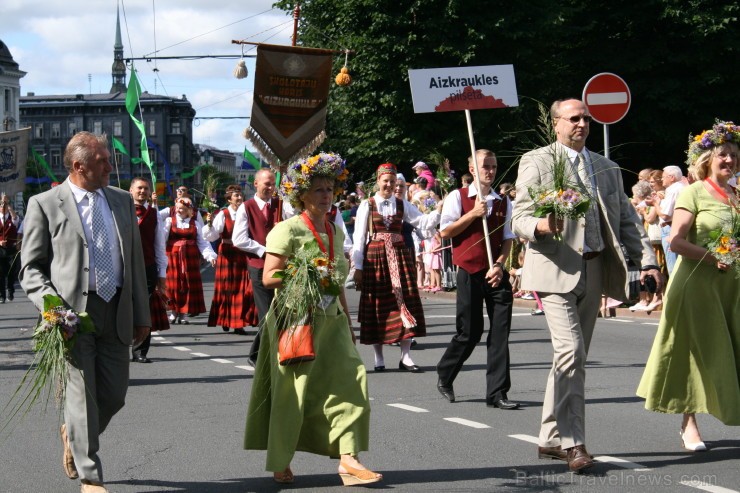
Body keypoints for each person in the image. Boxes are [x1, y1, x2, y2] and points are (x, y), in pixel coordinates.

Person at [511, 99, 661, 472]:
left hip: (593, 271)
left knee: (569, 358)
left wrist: (649, 261)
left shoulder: (606, 167)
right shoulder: (538, 160)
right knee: (572, 350)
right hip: (552, 269)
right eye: (574, 118)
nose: (582, 124)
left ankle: (548, 437)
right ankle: (573, 442)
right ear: (557, 123)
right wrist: (542, 227)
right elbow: (520, 217)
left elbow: (628, 219)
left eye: (587, 119)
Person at [20, 132, 150, 493]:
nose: (111, 166)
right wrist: (53, 310)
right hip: (72, 317)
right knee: (80, 395)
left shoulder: (121, 201)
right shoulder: (45, 204)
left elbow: (135, 261)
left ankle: (73, 434)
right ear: (78, 167)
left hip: (117, 309)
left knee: (114, 395)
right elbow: (30, 269)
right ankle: (90, 475)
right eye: (102, 162)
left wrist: (143, 314)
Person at [244, 152, 382, 486]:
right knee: (295, 391)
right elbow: (269, 278)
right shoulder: (286, 230)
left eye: (330, 189)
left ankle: (349, 459)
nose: (326, 195)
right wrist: (307, 272)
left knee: (352, 379)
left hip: (332, 318)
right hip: (296, 319)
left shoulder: (335, 230)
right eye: (318, 189)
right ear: (302, 195)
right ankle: (281, 458)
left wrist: (348, 323)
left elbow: (335, 282)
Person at [637, 121, 740, 449]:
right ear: (708, 159)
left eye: (735, 155)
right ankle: (689, 423)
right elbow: (677, 242)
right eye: (723, 154)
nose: (729, 160)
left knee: (733, 350)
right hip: (697, 284)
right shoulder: (693, 192)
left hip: (731, 286)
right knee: (693, 352)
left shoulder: (737, 194)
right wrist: (712, 257)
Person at [436, 149, 518, 409]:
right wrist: (472, 214)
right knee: (469, 332)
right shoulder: (457, 197)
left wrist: (500, 265)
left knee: (500, 334)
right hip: (469, 270)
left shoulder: (504, 202)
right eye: (485, 166)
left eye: (493, 166)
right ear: (472, 169)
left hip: (495, 273)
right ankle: (445, 374)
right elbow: (445, 232)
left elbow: (507, 239)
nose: (490, 171)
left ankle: (497, 393)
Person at [352, 163, 441, 372]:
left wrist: (439, 210)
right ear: (378, 181)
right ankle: (378, 357)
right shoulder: (368, 204)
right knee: (378, 304)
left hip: (400, 256)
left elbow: (423, 222)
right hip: (375, 258)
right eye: (386, 181)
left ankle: (406, 357)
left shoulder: (402, 205)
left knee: (406, 301)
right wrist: (357, 266)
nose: (389, 185)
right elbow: (359, 237)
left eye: (393, 181)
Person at [232, 169, 281, 362]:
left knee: (279, 312)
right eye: (266, 184)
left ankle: (260, 354)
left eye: (272, 184)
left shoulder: (280, 205)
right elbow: (239, 239)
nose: (270, 188)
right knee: (267, 313)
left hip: (280, 265)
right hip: (259, 266)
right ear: (255, 184)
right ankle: (258, 356)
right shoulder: (247, 207)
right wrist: (263, 250)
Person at [203, 185, 258, 335]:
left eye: (240, 195)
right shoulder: (224, 214)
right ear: (229, 199)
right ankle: (225, 318)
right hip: (227, 253)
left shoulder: (247, 213)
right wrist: (209, 225)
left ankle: (238, 322)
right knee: (226, 288)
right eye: (236, 196)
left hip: (243, 253)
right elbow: (211, 237)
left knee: (242, 287)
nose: (240, 198)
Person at [129, 177, 169, 363]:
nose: (142, 191)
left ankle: (140, 351)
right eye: (139, 188)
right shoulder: (120, 210)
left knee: (145, 309)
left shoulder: (154, 214)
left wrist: (161, 275)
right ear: (131, 190)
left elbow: (159, 245)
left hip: (147, 267)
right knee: (123, 308)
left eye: (146, 189)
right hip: (124, 267)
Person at [163, 197, 217, 324]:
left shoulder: (195, 224)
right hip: (173, 258)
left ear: (188, 210)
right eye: (176, 208)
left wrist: (210, 256)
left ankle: (183, 313)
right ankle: (173, 312)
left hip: (190, 259)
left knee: (187, 286)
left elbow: (203, 243)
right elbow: (162, 240)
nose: (178, 210)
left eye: (181, 209)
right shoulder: (169, 221)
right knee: (174, 285)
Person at [655, 165, 687, 275]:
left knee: (673, 268)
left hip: (669, 228)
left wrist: (655, 203)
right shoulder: (681, 187)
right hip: (675, 227)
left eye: (663, 177)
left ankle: (676, 291)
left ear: (671, 177)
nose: (661, 179)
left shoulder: (672, 190)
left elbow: (665, 215)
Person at [0, 197, 21, 302]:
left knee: (11, 272)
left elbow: (15, 218)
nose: (3, 208)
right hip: (0, 249)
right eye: (1, 206)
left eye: (4, 206)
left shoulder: (12, 218)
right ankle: (2, 295)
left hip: (11, 249)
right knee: (0, 273)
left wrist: (7, 204)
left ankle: (10, 290)